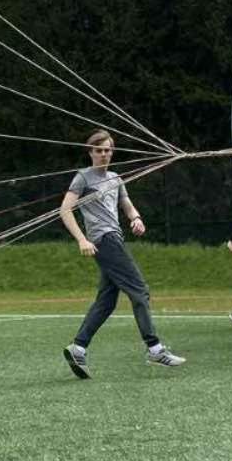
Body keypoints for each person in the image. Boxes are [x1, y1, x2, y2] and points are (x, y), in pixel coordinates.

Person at [59, 129, 185, 378]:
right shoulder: (82, 178)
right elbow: (65, 210)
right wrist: (82, 240)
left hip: (115, 238)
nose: (104, 154)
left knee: (107, 301)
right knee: (139, 289)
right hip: (103, 241)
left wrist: (135, 218)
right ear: (91, 152)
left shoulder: (116, 178)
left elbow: (126, 204)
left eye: (107, 150)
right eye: (99, 150)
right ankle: (154, 348)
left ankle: (78, 348)